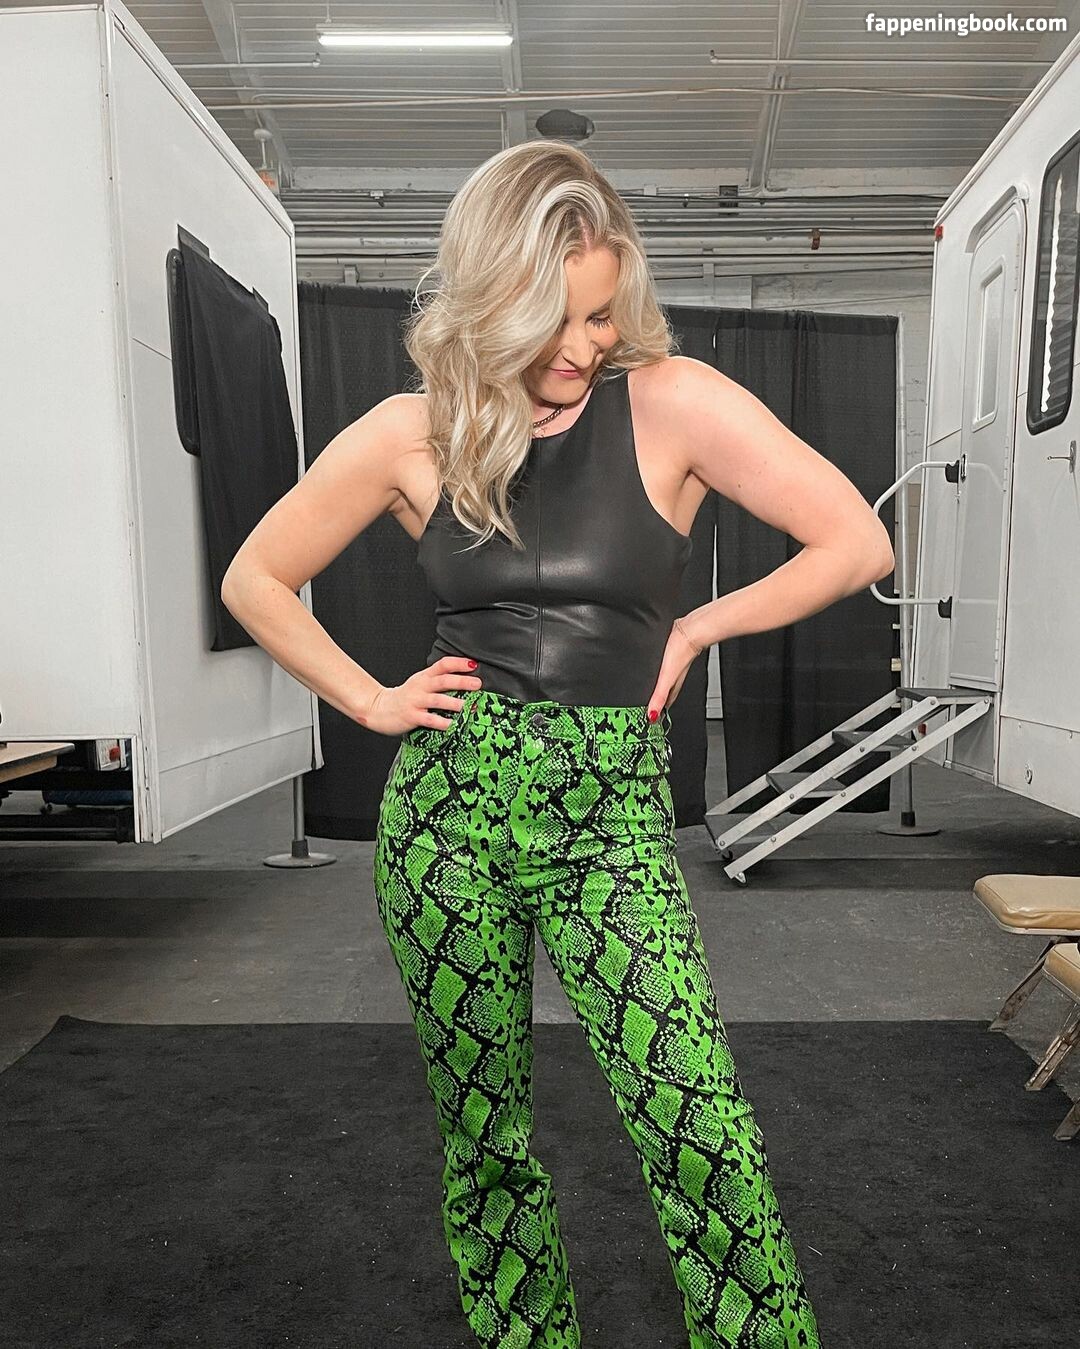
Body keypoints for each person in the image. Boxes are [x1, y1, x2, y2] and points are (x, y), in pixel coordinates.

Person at [222, 141, 893, 1349]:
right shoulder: (413, 430)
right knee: (485, 1138)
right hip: (446, 819)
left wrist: (699, 624)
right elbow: (255, 577)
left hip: (612, 819)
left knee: (698, 1124)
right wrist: (369, 700)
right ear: (490, 302)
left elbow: (856, 540)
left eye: (601, 313)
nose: (586, 346)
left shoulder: (676, 400)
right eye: (558, 319)